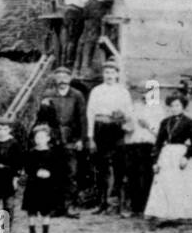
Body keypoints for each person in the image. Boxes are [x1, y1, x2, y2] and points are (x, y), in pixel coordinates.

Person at [36, 66, 87, 212]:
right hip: (53, 137)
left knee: (71, 172)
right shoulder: (48, 94)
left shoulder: (77, 95)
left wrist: (80, 139)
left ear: (70, 79)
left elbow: (82, 118)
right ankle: (56, 207)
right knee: (55, 171)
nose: (62, 81)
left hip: (71, 138)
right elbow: (41, 119)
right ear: (55, 79)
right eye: (59, 78)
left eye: (65, 78)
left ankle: (70, 206)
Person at [144, 94, 192, 222]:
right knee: (165, 183)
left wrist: (186, 157)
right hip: (166, 154)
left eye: (177, 105)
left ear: (183, 107)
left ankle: (181, 214)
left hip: (181, 153)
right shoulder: (165, 122)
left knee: (180, 184)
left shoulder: (189, 122)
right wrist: (155, 161)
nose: (174, 108)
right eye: (172, 106)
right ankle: (163, 213)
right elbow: (158, 142)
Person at [86, 59, 134, 215]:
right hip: (101, 129)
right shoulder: (96, 91)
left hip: (116, 129)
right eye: (106, 72)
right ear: (103, 74)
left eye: (112, 72)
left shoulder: (123, 91)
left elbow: (129, 113)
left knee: (120, 166)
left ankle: (121, 204)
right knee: (101, 168)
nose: (109, 75)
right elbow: (90, 114)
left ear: (117, 74)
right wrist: (91, 136)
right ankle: (102, 203)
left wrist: (122, 116)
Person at [80, 0, 129, 73]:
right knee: (92, 37)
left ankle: (88, 65)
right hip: (96, 6)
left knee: (92, 36)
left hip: (94, 3)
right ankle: (85, 67)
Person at [22, 124, 65, 233]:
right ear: (34, 139)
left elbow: (58, 168)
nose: (39, 140)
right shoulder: (31, 153)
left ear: (48, 138)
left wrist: (50, 173)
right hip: (33, 185)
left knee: (46, 210)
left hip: (47, 186)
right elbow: (27, 167)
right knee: (32, 210)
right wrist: (35, 172)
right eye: (37, 137)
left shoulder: (53, 153)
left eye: (42, 137)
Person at [125, 94, 165, 216]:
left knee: (147, 176)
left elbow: (160, 132)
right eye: (143, 94)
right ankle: (135, 207)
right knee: (133, 176)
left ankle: (147, 207)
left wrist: (147, 125)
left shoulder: (158, 110)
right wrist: (126, 126)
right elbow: (127, 128)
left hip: (148, 146)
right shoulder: (134, 108)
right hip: (133, 145)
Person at [63, 0, 94, 70]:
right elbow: (86, 1)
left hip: (72, 12)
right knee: (73, 39)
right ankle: (69, 63)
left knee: (71, 38)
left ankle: (68, 62)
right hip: (74, 12)